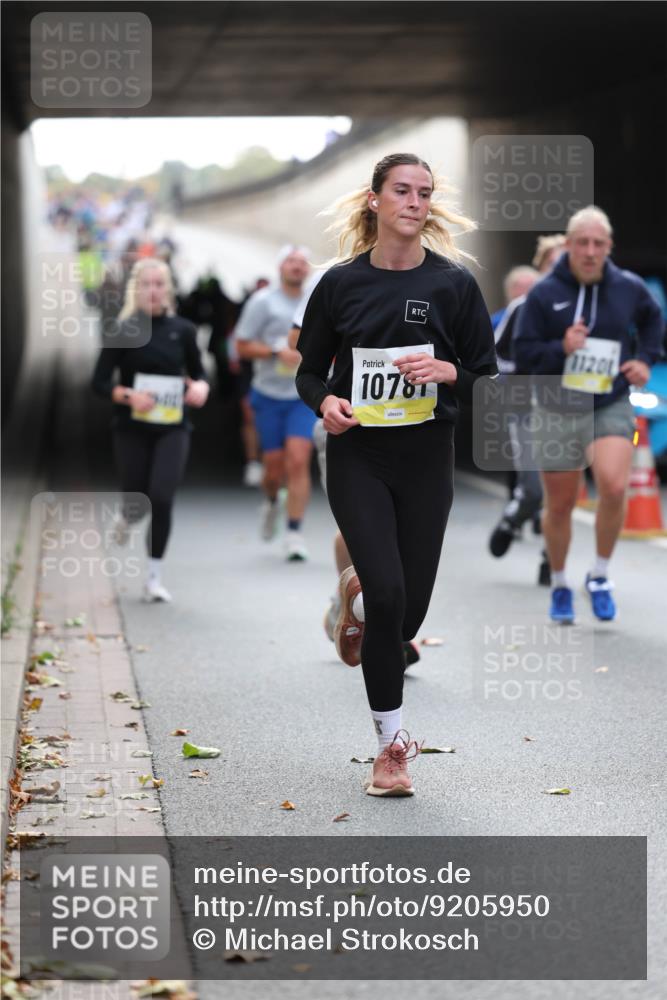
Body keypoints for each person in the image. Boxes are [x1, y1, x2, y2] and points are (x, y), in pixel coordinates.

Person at [296, 153, 498, 797]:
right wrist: (325, 403)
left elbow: (487, 380)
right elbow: (308, 371)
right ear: (375, 200)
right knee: (388, 599)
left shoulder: (453, 285)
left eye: (425, 193)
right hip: (358, 454)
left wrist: (449, 373)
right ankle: (390, 749)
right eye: (403, 190)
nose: (415, 201)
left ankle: (356, 598)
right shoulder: (340, 284)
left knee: (404, 618)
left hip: (425, 458)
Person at [513, 206, 663, 623]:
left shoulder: (628, 287)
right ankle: (560, 583)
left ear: (609, 247)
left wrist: (645, 359)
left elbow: (653, 322)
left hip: (609, 399)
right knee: (560, 504)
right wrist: (560, 348)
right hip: (557, 404)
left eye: (599, 244)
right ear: (569, 245)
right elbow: (523, 353)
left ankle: (598, 575)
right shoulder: (544, 293)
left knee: (613, 486)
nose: (591, 252)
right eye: (583, 243)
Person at [288, 279, 421, 671]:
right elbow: (298, 342)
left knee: (405, 529)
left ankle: (349, 601)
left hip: (409, 427)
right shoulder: (334, 280)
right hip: (348, 423)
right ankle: (370, 612)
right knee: (361, 525)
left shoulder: (428, 279)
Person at [92, 257, 209, 602]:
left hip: (173, 426)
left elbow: (199, 373)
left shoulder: (183, 330)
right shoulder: (122, 330)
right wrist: (130, 396)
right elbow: (99, 382)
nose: (153, 291)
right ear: (136, 290)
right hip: (131, 426)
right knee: (137, 497)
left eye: (159, 285)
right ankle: (127, 517)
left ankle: (154, 578)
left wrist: (200, 388)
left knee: (160, 496)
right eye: (146, 285)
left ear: (167, 290)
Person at [488, 236, 567, 579]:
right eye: (553, 263)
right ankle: (514, 516)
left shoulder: (588, 307)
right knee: (535, 488)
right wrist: (522, 376)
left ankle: (551, 560)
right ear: (542, 269)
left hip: (571, 409)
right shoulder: (523, 307)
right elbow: (496, 356)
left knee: (562, 492)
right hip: (527, 407)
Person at [235, 248, 316, 560]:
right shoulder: (263, 302)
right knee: (273, 469)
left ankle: (294, 533)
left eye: (302, 262)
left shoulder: (316, 301)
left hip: (302, 396)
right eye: (291, 261)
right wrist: (274, 352)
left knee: (298, 460)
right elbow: (241, 346)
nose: (297, 267)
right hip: (268, 394)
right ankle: (271, 502)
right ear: (280, 267)